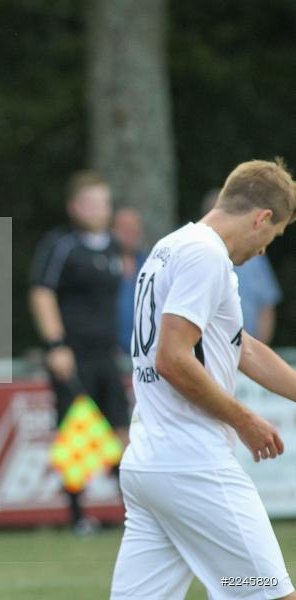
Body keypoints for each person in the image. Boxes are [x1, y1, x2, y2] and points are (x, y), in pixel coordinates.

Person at [110, 159, 296, 599]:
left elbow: (241, 346)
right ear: (262, 218)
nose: (266, 249)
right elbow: (173, 359)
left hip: (151, 466)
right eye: (275, 235)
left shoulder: (171, 246)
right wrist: (244, 420)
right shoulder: (206, 255)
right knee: (268, 592)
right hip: (192, 465)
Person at [29, 171, 128, 534]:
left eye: (104, 201)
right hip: (74, 353)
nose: (100, 208)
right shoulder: (61, 245)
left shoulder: (115, 247)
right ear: (75, 207)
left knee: (121, 430)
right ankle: (78, 516)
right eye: (91, 202)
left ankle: (131, 511)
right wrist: (56, 344)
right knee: (76, 433)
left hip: (107, 354)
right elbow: (41, 292)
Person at [204, 189, 283, 344]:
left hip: (245, 348)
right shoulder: (201, 256)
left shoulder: (255, 256)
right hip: (209, 350)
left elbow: (266, 305)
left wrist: (259, 347)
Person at [112, 207, 147, 353]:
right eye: (124, 228)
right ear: (112, 230)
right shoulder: (100, 264)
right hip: (109, 353)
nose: (130, 233)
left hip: (144, 353)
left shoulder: (150, 263)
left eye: (134, 228)